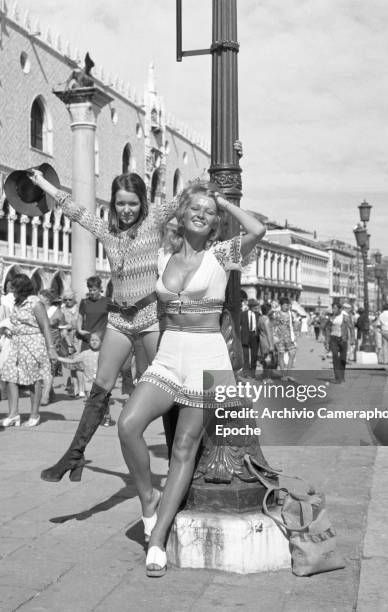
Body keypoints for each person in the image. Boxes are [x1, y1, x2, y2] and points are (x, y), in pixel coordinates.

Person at [117, 181, 266, 577]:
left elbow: (257, 230)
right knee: (128, 424)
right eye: (194, 208)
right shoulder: (164, 252)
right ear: (181, 215)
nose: (202, 213)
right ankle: (148, 499)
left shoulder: (221, 255)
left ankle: (157, 540)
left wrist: (222, 201)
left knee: (184, 446)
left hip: (208, 357)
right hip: (169, 354)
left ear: (215, 222)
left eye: (209, 211)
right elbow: (148, 219)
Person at [29, 170, 180, 482]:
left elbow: (184, 199)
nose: (126, 210)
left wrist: (211, 178)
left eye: (133, 204)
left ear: (143, 204)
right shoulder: (108, 232)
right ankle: (74, 454)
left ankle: (179, 460)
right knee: (100, 387)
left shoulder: (153, 222)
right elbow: (74, 209)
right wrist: (42, 184)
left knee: (168, 387)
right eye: (121, 204)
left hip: (150, 315)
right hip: (119, 319)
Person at [0, 274, 57, 427]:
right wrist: (7, 329)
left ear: (21, 288)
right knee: (10, 376)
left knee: (33, 380)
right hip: (17, 343)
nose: (12, 292)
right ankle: (13, 414)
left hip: (33, 344)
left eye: (14, 288)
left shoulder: (35, 303)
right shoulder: (17, 303)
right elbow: (13, 321)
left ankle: (34, 414)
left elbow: (45, 326)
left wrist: (51, 348)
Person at [39, 289, 66, 405]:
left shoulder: (57, 312)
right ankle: (51, 392)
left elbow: (63, 327)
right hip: (39, 343)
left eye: (39, 297)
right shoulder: (37, 310)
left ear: (46, 299)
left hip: (53, 343)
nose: (37, 299)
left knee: (49, 369)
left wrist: (63, 339)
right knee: (41, 370)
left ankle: (45, 395)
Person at [58, 332, 103, 401]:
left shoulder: (103, 353)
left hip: (100, 384)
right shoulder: (85, 353)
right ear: (89, 342)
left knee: (100, 402)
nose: (94, 342)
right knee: (91, 402)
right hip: (88, 383)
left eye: (96, 340)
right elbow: (72, 361)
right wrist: (58, 358)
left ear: (101, 342)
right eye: (92, 340)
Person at [60, 289, 82, 397]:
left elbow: (81, 322)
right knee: (72, 364)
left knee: (79, 363)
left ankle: (82, 387)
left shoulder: (80, 308)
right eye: (65, 299)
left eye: (70, 299)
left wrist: (71, 325)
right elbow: (60, 324)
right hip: (67, 338)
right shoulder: (62, 309)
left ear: (74, 299)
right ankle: (76, 388)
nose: (67, 301)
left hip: (79, 338)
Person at [273, 297, 297, 381]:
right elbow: (273, 326)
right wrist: (274, 337)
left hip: (289, 338)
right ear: (281, 305)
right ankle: (284, 375)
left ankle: (288, 373)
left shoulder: (291, 314)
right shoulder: (276, 314)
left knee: (292, 354)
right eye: (285, 305)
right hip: (279, 338)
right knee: (281, 355)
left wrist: (295, 335)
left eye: (288, 305)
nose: (287, 307)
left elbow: (294, 325)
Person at [328, 301, 352, 383]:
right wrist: (326, 340)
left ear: (339, 309)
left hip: (343, 339)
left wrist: (352, 339)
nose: (333, 310)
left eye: (335, 308)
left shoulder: (344, 316)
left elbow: (351, 327)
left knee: (343, 358)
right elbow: (327, 328)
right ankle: (337, 377)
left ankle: (342, 376)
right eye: (333, 308)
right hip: (333, 338)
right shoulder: (331, 316)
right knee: (335, 357)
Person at [240, 298, 260, 377]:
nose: (257, 308)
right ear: (251, 307)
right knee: (245, 355)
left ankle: (252, 373)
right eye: (255, 307)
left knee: (254, 355)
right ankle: (246, 372)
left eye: (257, 307)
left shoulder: (258, 314)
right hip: (245, 336)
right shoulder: (243, 314)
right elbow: (239, 324)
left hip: (255, 336)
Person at [257, 302, 276, 379]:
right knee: (269, 360)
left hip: (262, 341)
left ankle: (265, 375)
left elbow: (257, 331)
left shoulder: (260, 318)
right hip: (267, 341)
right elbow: (268, 333)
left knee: (265, 359)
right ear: (268, 310)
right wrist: (271, 345)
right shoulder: (267, 320)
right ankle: (267, 377)